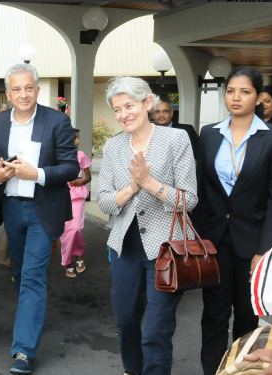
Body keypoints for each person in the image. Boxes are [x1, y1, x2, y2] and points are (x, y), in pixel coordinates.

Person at [0, 63, 79, 374]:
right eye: (16, 89)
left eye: (29, 88)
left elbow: (71, 168)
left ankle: (24, 351)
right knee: (22, 275)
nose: (23, 94)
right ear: (8, 93)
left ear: (37, 90)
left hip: (43, 209)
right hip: (12, 209)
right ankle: (32, 317)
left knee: (34, 277)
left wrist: (36, 174)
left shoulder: (57, 121)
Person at [192, 67, 272, 375]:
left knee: (247, 317)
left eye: (245, 92)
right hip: (215, 240)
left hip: (253, 244)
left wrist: (265, 251)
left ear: (258, 96)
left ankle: (241, 370)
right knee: (214, 313)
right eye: (231, 91)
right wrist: (197, 235)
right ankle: (212, 370)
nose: (236, 97)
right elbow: (201, 187)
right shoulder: (209, 133)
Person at [97, 76, 197, 375]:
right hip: (124, 248)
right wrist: (130, 188)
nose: (123, 114)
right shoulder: (113, 146)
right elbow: (103, 202)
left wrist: (150, 184)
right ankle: (132, 370)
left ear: (148, 103)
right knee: (126, 321)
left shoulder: (176, 139)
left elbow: (189, 200)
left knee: (156, 330)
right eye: (117, 109)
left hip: (166, 250)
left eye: (129, 105)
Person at [60, 129, 91, 277]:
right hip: (63, 195)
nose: (77, 142)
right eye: (74, 139)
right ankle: (68, 262)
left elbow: (88, 177)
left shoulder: (81, 155)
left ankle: (79, 255)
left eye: (78, 138)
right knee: (67, 232)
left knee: (76, 229)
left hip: (78, 195)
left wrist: (80, 182)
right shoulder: (59, 156)